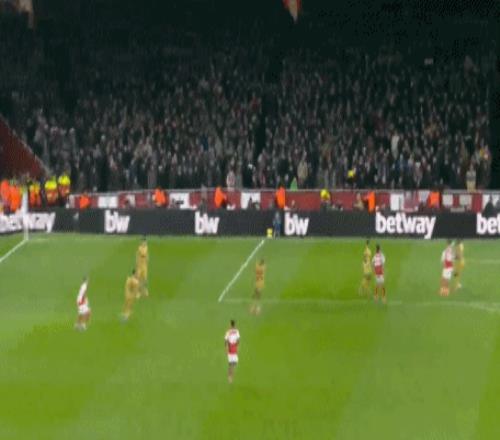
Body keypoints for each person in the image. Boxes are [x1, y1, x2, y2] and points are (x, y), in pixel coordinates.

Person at [224, 319, 240, 384]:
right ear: (235, 324)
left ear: (230, 324)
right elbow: (238, 340)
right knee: (233, 363)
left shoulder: (228, 331)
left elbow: (225, 341)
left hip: (231, 348)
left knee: (232, 363)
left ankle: (230, 376)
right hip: (234, 348)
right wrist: (237, 347)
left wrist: (226, 348)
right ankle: (230, 377)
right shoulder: (237, 331)